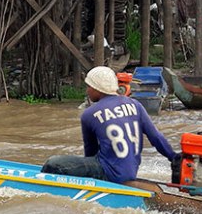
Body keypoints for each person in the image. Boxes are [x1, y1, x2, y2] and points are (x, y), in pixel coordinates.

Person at [42, 66, 178, 184]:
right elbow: (156, 137)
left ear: (97, 89)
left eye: (89, 86)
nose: (87, 91)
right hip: (130, 173)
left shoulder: (89, 114)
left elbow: (90, 152)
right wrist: (174, 157)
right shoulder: (135, 105)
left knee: (53, 163)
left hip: (110, 174)